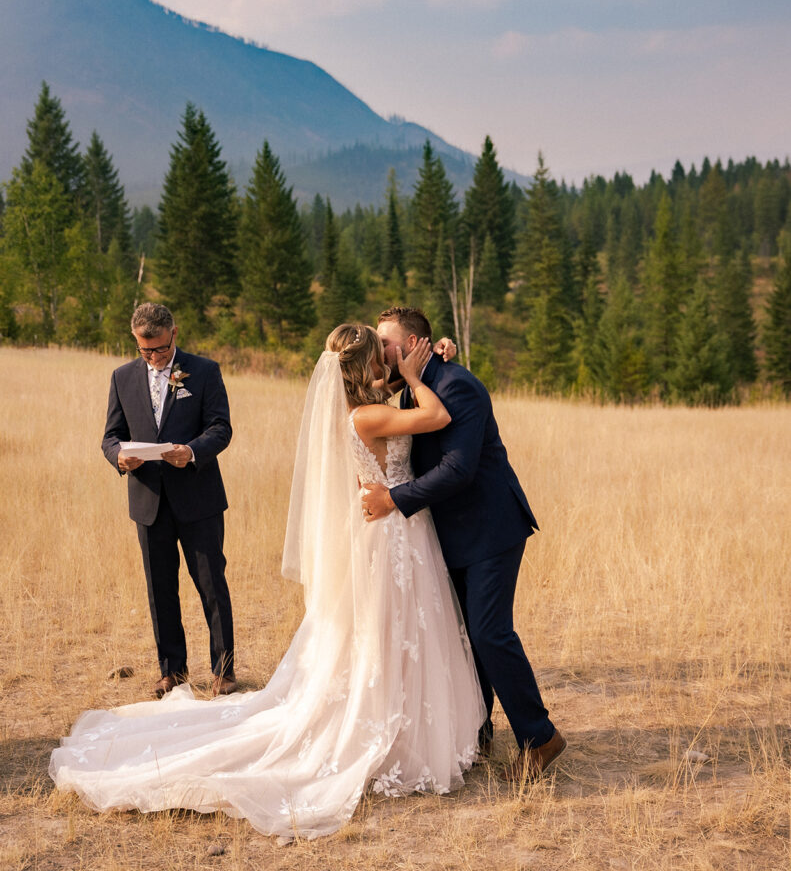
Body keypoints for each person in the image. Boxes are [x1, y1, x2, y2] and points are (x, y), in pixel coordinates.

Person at [50, 325, 485, 840]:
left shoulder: (364, 406)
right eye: (383, 357)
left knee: (395, 628)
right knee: (385, 628)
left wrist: (430, 359)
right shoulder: (367, 415)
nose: (391, 363)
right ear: (368, 364)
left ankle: (406, 721)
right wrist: (415, 373)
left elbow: (394, 401)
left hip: (396, 529)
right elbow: (435, 415)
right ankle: (387, 727)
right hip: (390, 530)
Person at [363, 306, 565, 782]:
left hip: (490, 528)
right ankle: (476, 732)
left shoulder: (459, 386)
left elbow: (458, 469)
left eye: (387, 344)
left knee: (489, 634)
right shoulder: (411, 386)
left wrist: (393, 499)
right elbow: (357, 383)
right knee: (461, 637)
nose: (381, 351)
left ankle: (540, 738)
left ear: (413, 344)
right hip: (447, 535)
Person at [101, 303, 236, 698]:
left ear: (174, 334)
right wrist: (119, 457)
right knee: (160, 589)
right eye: (146, 351)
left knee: (212, 585)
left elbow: (221, 427)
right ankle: (172, 671)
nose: (155, 358)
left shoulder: (205, 371)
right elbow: (111, 435)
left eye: (160, 349)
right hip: (148, 501)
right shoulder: (122, 377)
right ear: (136, 342)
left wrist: (192, 451)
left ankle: (224, 671)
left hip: (198, 499)